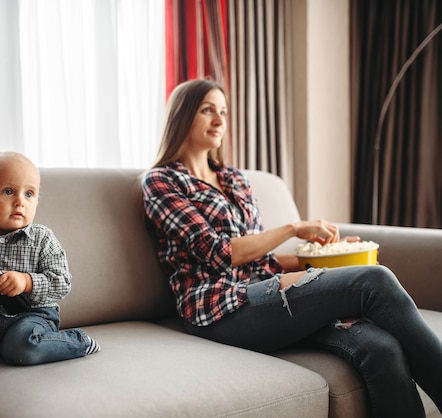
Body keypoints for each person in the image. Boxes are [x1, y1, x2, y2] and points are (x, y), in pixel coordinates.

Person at [141, 79, 442, 417]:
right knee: (375, 280)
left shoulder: (234, 180)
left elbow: (259, 260)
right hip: (217, 308)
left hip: (263, 293)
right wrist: (294, 228)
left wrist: (325, 255)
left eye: (223, 111)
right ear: (182, 115)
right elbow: (220, 253)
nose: (219, 120)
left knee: (382, 348)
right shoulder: (162, 181)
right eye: (207, 110)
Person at [0, 151, 100, 366]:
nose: (20, 201)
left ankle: (79, 341)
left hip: (31, 317)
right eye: (8, 191)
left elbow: (62, 283)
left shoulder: (42, 238)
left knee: (24, 347)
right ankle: (0, 345)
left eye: (29, 194)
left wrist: (27, 282)